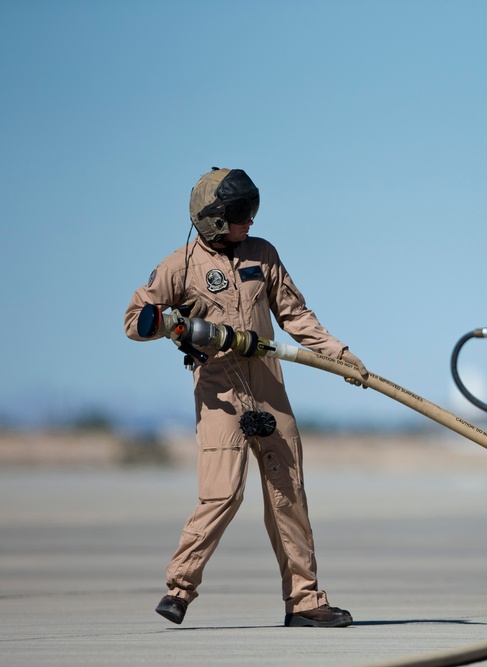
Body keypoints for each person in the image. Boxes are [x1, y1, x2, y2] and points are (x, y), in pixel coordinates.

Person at [124, 167, 367, 628]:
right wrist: (176, 325)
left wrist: (340, 355)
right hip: (219, 392)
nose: (249, 223)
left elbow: (295, 315)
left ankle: (304, 601)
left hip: (269, 388)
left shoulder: (263, 254)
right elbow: (134, 319)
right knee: (222, 495)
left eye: (252, 212)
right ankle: (179, 588)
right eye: (241, 214)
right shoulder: (180, 265)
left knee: (288, 495)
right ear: (213, 218)